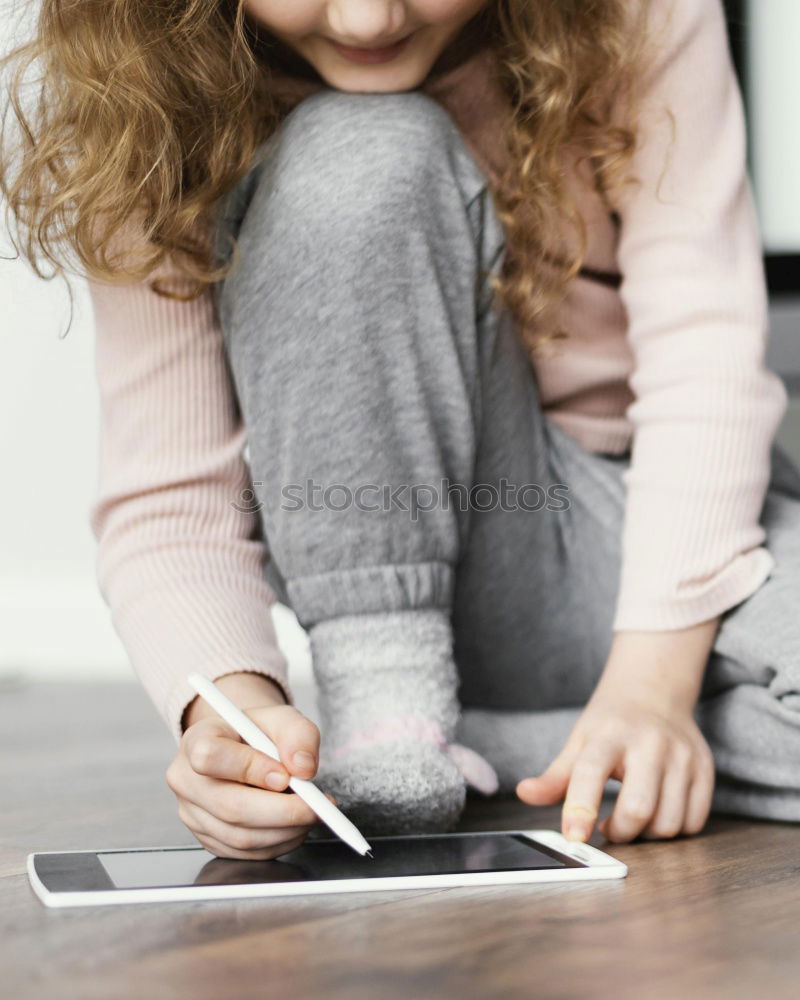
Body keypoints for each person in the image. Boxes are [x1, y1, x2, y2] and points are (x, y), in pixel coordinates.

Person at [4, 0, 800, 861]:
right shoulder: (148, 92)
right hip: (399, 567)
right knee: (360, 150)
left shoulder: (641, 13)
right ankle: (391, 714)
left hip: (660, 530)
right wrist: (230, 714)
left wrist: (653, 688)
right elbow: (170, 497)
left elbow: (704, 359)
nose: (366, 17)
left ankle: (504, 744)